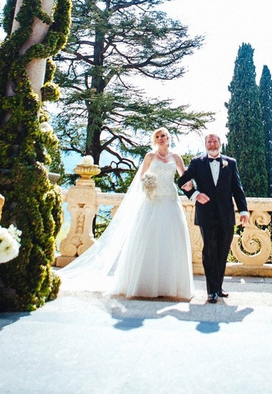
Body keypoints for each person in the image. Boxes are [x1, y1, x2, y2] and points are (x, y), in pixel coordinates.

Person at [60, 127, 194, 300]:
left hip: (169, 201)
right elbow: (141, 177)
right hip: (152, 202)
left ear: (169, 138)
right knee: (149, 240)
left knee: (170, 240)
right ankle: (145, 284)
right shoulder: (150, 157)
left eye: (164, 136)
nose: (161, 138)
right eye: (158, 136)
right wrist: (148, 184)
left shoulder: (176, 157)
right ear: (155, 140)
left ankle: (168, 285)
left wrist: (192, 188)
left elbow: (183, 176)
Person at [178, 133, 249, 303]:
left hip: (226, 214)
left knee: (223, 251)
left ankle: (219, 287)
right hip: (206, 214)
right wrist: (195, 194)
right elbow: (182, 181)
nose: (212, 144)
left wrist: (244, 211)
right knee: (209, 251)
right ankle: (212, 291)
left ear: (220, 143)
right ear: (205, 144)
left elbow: (237, 189)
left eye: (214, 141)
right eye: (209, 141)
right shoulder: (197, 162)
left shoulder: (230, 163)